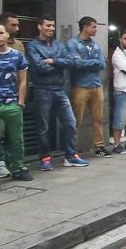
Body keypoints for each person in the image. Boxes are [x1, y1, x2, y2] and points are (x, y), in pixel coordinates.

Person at [27, 14, 89, 170]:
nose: (51, 29)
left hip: (59, 89)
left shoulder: (59, 44)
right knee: (44, 127)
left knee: (70, 122)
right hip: (42, 90)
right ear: (40, 27)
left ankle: (71, 155)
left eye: (53, 26)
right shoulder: (32, 45)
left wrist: (52, 61)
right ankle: (45, 158)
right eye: (48, 25)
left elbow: (70, 62)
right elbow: (38, 67)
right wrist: (58, 63)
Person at [0, 23, 32, 185]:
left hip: (12, 104)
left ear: (6, 35)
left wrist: (20, 101)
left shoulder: (17, 55)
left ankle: (18, 168)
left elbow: (23, 80)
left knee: (17, 140)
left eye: (1, 33)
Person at [67, 17, 110, 158]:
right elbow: (75, 64)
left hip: (96, 85)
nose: (96, 30)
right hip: (80, 86)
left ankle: (100, 147)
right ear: (85, 27)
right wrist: (93, 62)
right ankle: (72, 149)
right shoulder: (73, 43)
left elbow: (102, 64)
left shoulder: (95, 44)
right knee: (76, 120)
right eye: (94, 27)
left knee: (98, 119)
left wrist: (86, 62)